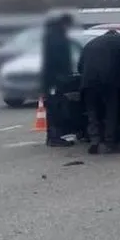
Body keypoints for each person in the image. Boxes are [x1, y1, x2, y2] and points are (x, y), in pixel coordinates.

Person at [79, 28, 120, 154]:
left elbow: (80, 65)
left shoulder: (91, 43)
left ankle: (94, 140)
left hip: (88, 82)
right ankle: (110, 142)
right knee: (111, 111)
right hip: (109, 81)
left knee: (92, 112)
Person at [41, 11, 76, 148]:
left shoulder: (52, 35)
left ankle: (52, 137)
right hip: (54, 80)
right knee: (55, 109)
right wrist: (63, 77)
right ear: (64, 24)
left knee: (53, 108)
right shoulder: (57, 37)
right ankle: (55, 137)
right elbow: (58, 60)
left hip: (51, 79)